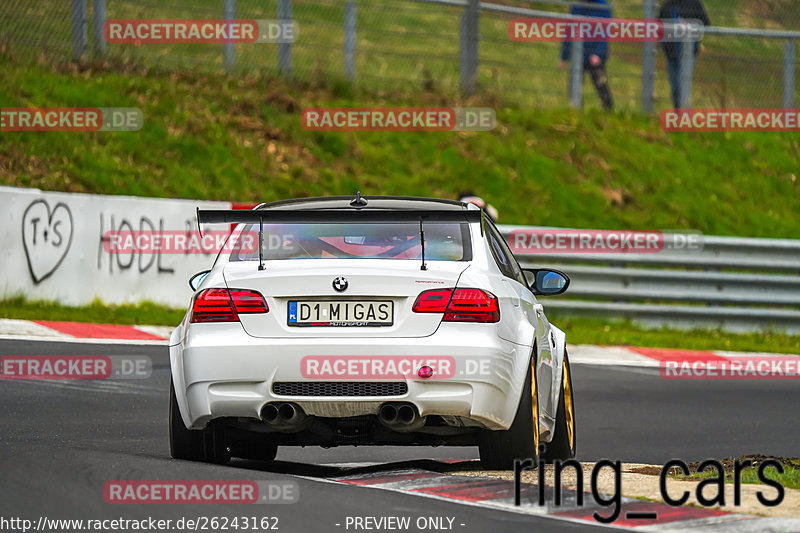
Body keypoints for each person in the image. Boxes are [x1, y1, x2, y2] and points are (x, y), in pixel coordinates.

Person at [559, 0, 614, 111]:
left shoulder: (603, 7)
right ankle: (577, 111)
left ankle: (608, 110)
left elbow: (605, 34)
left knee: (601, 85)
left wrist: (598, 54)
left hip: (596, 58)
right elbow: (569, 31)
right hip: (578, 56)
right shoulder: (577, 6)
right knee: (573, 88)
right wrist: (563, 56)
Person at [659, 0, 711, 109]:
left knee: (683, 84)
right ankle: (678, 114)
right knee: (675, 87)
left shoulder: (695, 4)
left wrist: (691, 28)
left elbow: (706, 24)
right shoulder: (667, 6)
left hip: (688, 53)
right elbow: (659, 27)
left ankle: (683, 115)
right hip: (671, 53)